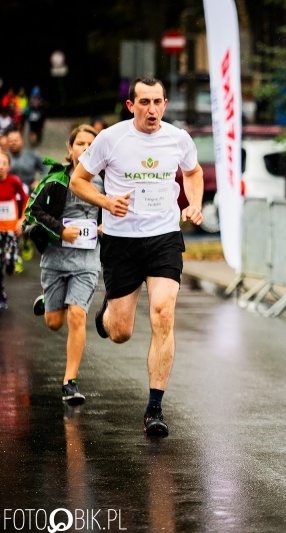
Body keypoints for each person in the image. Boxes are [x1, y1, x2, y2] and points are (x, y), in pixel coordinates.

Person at [69, 77, 204, 437]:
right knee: (120, 333)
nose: (152, 109)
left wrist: (194, 203)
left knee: (163, 312)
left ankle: (155, 407)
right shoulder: (110, 139)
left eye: (158, 102)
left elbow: (193, 171)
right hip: (122, 241)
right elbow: (78, 181)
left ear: (165, 103)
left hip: (164, 238)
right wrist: (105, 202)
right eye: (144, 102)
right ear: (131, 106)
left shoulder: (178, 138)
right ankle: (109, 314)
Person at [25, 125, 102, 405]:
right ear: (70, 150)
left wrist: (106, 226)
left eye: (90, 144)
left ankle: (70, 382)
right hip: (56, 260)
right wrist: (60, 230)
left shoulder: (107, 181)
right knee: (55, 322)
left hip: (87, 262)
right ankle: (48, 300)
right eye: (80, 143)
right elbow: (34, 212)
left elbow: (118, 213)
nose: (85, 148)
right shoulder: (56, 180)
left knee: (77, 316)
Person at [0, 151, 28, 308]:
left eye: (4, 163)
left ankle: (10, 263)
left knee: (9, 261)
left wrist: (21, 220)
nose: (0, 167)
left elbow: (25, 200)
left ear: (9, 166)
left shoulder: (14, 182)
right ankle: (1, 294)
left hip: (11, 230)